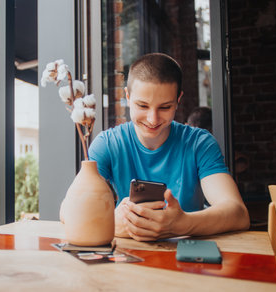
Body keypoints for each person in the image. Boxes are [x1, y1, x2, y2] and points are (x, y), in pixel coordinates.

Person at [88, 53, 249, 241]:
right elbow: (69, 211)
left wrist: (181, 224)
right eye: (142, 105)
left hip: (188, 257)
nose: (153, 119)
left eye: (165, 107)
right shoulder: (107, 144)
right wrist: (113, 223)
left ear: (178, 100)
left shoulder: (200, 144)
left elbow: (238, 214)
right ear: (128, 96)